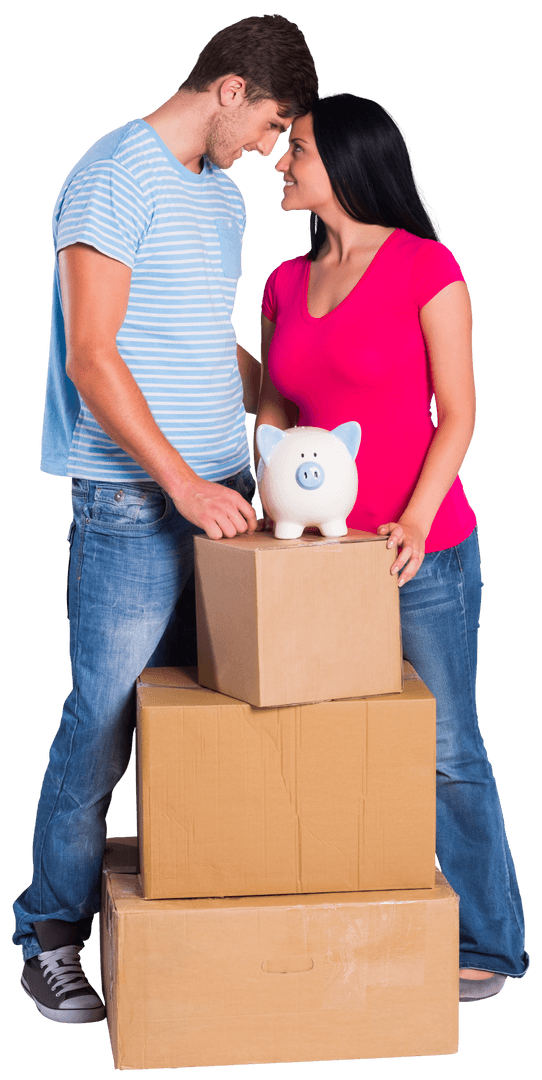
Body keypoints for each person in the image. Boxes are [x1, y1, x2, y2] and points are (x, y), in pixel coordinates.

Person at [14, 14, 318, 1025]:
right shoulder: (112, 173)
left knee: (218, 719)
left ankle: (202, 910)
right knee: (100, 726)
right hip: (134, 503)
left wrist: (286, 402)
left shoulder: (221, 200)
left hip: (229, 496)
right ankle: (50, 936)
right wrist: (183, 485)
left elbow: (199, 339)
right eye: (272, 125)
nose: (272, 149)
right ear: (229, 88)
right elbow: (93, 356)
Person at [255, 93, 529, 1002]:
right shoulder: (284, 285)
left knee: (447, 748)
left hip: (421, 555)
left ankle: (489, 944)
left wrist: (413, 519)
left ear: (344, 159)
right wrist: (263, 489)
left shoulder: (425, 266)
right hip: (316, 563)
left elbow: (460, 413)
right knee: (328, 745)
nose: (281, 163)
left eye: (294, 150)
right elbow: (280, 410)